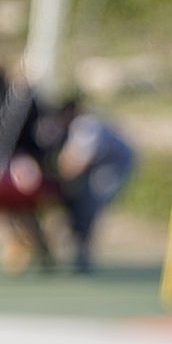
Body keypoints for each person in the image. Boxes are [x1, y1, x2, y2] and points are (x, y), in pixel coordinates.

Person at [52, 97, 139, 273]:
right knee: (80, 206)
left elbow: (78, 162)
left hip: (114, 167)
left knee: (88, 204)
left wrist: (58, 180)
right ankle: (75, 249)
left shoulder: (85, 125)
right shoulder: (74, 128)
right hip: (98, 168)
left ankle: (82, 254)